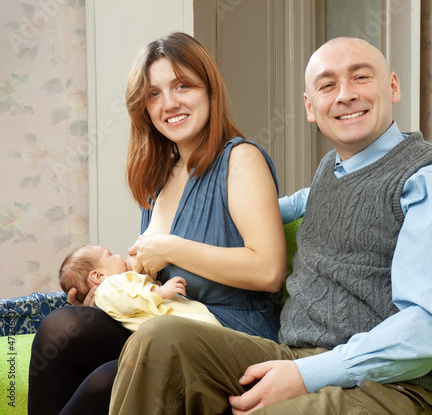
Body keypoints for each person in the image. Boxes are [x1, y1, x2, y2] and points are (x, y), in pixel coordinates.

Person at [109, 37, 432, 415]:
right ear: (311, 107)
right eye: (328, 85)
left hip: (399, 388)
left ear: (392, 86)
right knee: (161, 339)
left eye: (361, 78)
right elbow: (290, 206)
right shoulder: (335, 170)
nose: (344, 95)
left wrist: (305, 374)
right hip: (296, 354)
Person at [28, 32, 286, 415]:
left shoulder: (240, 159)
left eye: (183, 85)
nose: (169, 103)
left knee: (98, 374)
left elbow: (268, 271)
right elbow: (156, 283)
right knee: (66, 330)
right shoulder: (160, 176)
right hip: (166, 323)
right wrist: (105, 295)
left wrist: (169, 248)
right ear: (143, 107)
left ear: (210, 90)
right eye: (154, 94)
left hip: (231, 335)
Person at [59, 244, 222, 331]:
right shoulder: (106, 289)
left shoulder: (118, 285)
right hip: (178, 330)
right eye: (110, 255)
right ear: (98, 276)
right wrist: (159, 292)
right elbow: (129, 301)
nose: (119, 256)